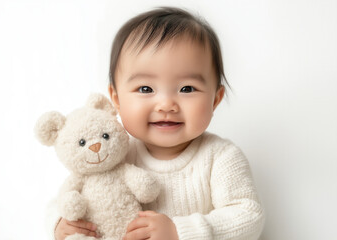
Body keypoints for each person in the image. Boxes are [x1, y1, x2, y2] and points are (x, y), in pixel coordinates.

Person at [50, 7, 265, 240]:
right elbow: (65, 198)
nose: (166, 104)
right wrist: (60, 223)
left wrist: (179, 232)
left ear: (215, 99)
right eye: (145, 89)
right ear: (116, 100)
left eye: (187, 88)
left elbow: (248, 216)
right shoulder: (114, 153)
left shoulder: (221, 157)